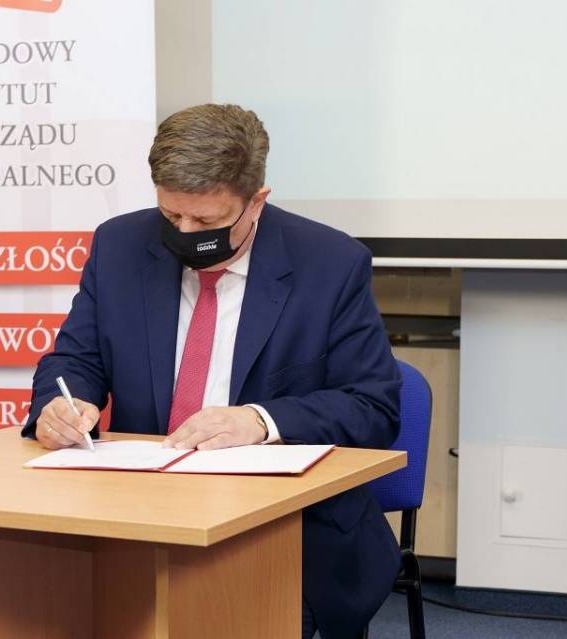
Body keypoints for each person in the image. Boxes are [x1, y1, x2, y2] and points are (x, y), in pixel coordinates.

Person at [22, 104, 402, 638]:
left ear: (256, 201)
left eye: (205, 222)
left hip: (283, 535)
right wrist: (63, 405)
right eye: (171, 215)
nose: (184, 232)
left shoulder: (330, 263)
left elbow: (373, 407)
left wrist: (260, 420)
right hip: (134, 520)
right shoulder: (120, 245)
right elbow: (74, 359)